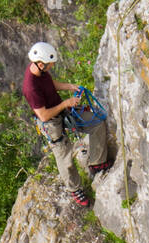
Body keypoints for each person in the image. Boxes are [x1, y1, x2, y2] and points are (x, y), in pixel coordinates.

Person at [22, 41, 113, 208]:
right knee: (65, 158)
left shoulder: (40, 71)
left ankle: (97, 162)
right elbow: (43, 115)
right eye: (50, 65)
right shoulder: (30, 88)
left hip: (61, 109)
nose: (52, 66)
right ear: (41, 64)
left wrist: (70, 87)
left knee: (96, 122)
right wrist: (66, 103)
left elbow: (50, 84)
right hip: (50, 122)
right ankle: (74, 188)